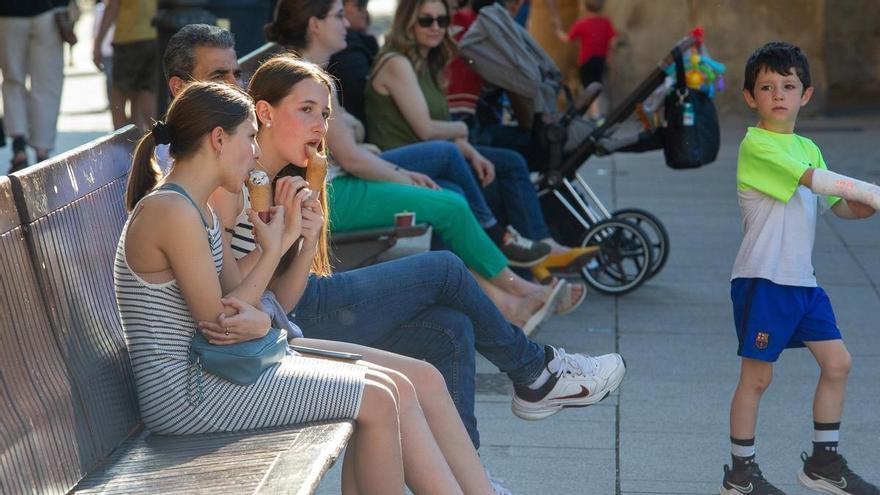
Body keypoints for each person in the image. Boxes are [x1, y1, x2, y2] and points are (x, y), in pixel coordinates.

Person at [164, 27, 627, 478]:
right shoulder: (230, 179)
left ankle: (470, 477)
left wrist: (306, 238)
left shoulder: (287, 173)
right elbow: (250, 303)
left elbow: (280, 291)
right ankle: (535, 374)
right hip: (285, 323)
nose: (320, 126)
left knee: (450, 328)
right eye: (306, 111)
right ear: (265, 114)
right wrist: (284, 240)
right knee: (444, 269)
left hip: (290, 307)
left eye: (324, 114)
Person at [117, 80, 497, 494]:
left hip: (215, 373)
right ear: (219, 139)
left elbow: (242, 302)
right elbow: (223, 322)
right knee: (377, 398)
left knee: (391, 389)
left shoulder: (196, 207)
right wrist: (273, 253)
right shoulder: (171, 209)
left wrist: (278, 252)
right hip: (186, 396)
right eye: (250, 138)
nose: (256, 152)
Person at [264, 0, 592, 322]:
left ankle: (502, 302)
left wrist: (371, 152)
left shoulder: (312, 77)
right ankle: (520, 287)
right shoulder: (307, 81)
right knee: (449, 203)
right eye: (339, 15)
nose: (348, 22)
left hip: (335, 183)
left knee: (449, 193)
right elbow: (352, 158)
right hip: (329, 192)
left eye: (442, 19)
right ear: (315, 24)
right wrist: (404, 175)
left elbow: (349, 150)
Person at [720, 42, 880, 495]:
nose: (778, 95)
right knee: (757, 377)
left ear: (805, 95)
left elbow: (832, 204)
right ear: (751, 97)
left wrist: (861, 208)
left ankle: (823, 464)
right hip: (763, 280)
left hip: (802, 282)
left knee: (838, 363)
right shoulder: (756, 145)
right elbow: (812, 180)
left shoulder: (808, 146)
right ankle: (739, 476)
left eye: (788, 86)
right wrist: (871, 190)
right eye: (767, 87)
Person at [364, 0, 593, 280]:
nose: (436, 27)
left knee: (498, 169)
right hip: (399, 159)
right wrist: (461, 130)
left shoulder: (428, 64)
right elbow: (425, 130)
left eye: (442, 20)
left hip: (429, 155)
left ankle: (531, 256)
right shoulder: (397, 63)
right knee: (457, 190)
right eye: (426, 20)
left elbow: (440, 131)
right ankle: (499, 238)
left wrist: (471, 152)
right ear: (407, 22)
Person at [0, 0, 69, 171]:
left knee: (13, 81)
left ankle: (19, 147)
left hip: (9, 13)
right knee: (46, 83)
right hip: (47, 11)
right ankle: (42, 149)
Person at [93, 0, 158, 131]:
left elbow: (113, 7)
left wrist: (98, 43)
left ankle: (120, 142)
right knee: (144, 93)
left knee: (119, 95)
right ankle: (154, 140)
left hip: (128, 39)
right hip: (153, 36)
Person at [554, 0, 615, 119]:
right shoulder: (605, 22)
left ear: (586, 8)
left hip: (586, 61)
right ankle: (595, 114)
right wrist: (609, 55)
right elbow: (613, 40)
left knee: (589, 87)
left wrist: (558, 31)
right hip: (600, 60)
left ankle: (596, 116)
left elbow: (568, 38)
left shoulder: (582, 23)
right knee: (598, 85)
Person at [326, 0, 378, 126]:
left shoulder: (360, 45)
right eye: (359, 5)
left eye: (365, 5)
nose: (365, 11)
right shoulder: (349, 52)